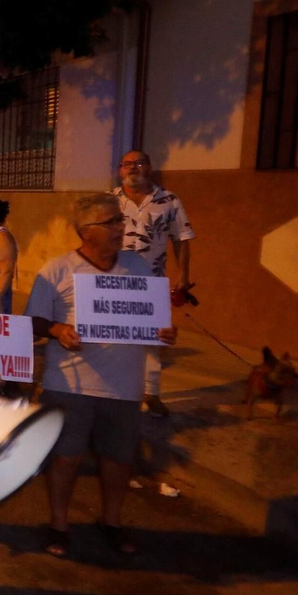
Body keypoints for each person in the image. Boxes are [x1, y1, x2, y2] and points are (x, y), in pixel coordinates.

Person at [26, 193, 178, 558]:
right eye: (109, 223)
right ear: (85, 231)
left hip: (124, 386)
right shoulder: (57, 270)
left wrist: (164, 332)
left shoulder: (139, 268)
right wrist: (59, 330)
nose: (118, 228)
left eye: (118, 221)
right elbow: (33, 321)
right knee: (66, 458)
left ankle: (112, 521)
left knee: (118, 460)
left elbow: (156, 319)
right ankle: (59, 524)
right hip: (69, 384)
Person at [112, 149, 195, 417]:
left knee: (153, 340)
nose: (132, 168)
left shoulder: (169, 201)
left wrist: (184, 276)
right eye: (127, 164)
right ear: (119, 170)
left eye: (139, 163)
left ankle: (152, 392)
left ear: (149, 167)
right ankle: (113, 392)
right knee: (112, 338)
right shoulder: (108, 201)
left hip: (153, 282)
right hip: (113, 283)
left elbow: (181, 239)